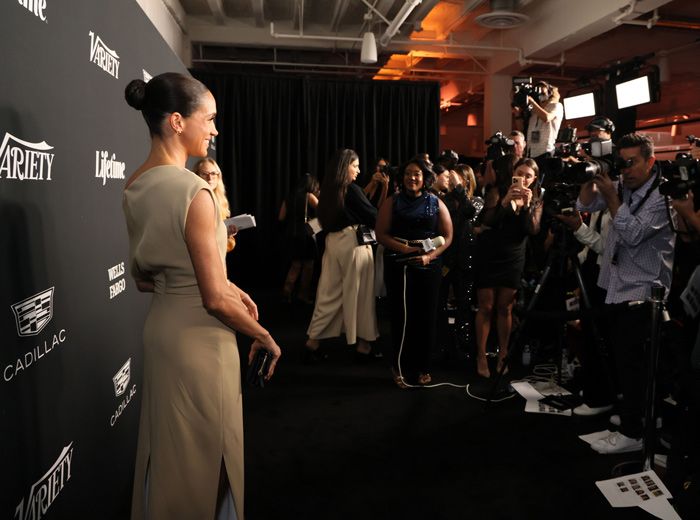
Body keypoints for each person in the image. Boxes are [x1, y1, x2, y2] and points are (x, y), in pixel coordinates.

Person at [122, 72, 282, 519]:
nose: (215, 130)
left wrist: (232, 288)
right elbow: (212, 298)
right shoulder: (197, 192)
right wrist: (264, 336)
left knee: (170, 455)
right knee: (207, 458)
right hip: (201, 344)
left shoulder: (134, 184)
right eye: (209, 119)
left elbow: (147, 279)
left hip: (162, 334)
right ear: (177, 121)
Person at [576, 132, 675, 454]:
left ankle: (633, 433)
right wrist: (590, 177)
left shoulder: (661, 196)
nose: (626, 170)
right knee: (623, 362)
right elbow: (583, 204)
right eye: (622, 163)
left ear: (651, 161)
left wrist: (612, 196)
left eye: (632, 163)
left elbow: (633, 234)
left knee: (635, 368)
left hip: (643, 291)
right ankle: (636, 417)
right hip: (616, 286)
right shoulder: (622, 185)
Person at [376, 158, 453, 387]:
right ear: (402, 177)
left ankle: (423, 367)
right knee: (401, 316)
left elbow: (448, 236)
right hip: (399, 262)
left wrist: (429, 256)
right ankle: (399, 367)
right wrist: (406, 250)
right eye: (408, 173)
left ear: (425, 177)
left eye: (417, 174)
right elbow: (381, 234)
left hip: (429, 265)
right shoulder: (392, 202)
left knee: (426, 316)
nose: (412, 177)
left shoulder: (436, 202)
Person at [304, 149, 379, 361]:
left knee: (328, 294)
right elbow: (373, 216)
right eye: (355, 166)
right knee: (361, 294)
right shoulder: (351, 189)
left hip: (333, 243)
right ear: (345, 166)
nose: (358, 170)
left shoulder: (328, 190)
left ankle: (313, 343)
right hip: (354, 244)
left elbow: (321, 221)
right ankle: (364, 345)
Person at [473, 157, 542, 378]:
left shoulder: (536, 198)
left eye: (528, 176)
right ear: (513, 173)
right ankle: (481, 355)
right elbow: (487, 221)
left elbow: (532, 230)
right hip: (489, 254)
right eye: (519, 173)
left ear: (534, 179)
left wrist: (527, 206)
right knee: (486, 306)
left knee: (505, 308)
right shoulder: (498, 191)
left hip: (513, 257)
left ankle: (503, 353)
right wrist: (504, 202)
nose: (523, 178)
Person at [278, 173, 320, 303]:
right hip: (306, 234)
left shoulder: (288, 197)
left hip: (291, 234)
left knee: (295, 265)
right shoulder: (309, 196)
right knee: (308, 265)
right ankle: (303, 295)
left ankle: (286, 292)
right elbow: (323, 211)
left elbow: (281, 217)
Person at [194, 157, 237, 252]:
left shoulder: (221, 201)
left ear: (218, 177)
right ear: (196, 176)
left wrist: (227, 234)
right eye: (204, 174)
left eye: (213, 173)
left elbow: (225, 244)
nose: (209, 178)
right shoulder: (194, 201)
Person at [520, 81, 563, 159]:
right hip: (531, 152)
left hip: (545, 152)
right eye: (538, 93)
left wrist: (532, 102)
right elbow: (522, 128)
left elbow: (547, 118)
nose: (540, 96)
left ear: (550, 94)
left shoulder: (556, 106)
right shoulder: (533, 109)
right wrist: (517, 113)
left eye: (543, 93)